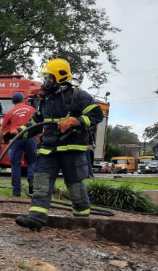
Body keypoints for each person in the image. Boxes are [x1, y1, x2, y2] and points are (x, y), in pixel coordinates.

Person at [12, 58, 105, 231]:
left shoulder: (79, 96)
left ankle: (82, 219)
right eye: (46, 77)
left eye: (49, 77)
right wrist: (20, 131)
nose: (46, 81)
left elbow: (97, 115)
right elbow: (37, 121)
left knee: (75, 184)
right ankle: (36, 218)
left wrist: (75, 121)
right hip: (49, 149)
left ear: (59, 77)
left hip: (72, 150)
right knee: (41, 181)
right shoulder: (46, 99)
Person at [0, 92, 37, 196]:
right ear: (23, 100)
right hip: (30, 137)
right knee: (32, 162)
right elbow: (38, 125)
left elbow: (2, 129)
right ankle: (32, 181)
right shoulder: (32, 110)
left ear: (12, 101)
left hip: (16, 138)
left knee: (15, 164)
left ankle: (16, 191)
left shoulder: (10, 112)